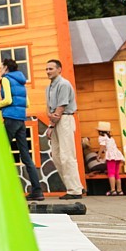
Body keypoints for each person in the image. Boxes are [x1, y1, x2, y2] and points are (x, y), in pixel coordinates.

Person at [0, 58, 44, 201]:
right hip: (21, 120)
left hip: (10, 118)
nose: (0, 69)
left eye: (1, 67)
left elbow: (8, 100)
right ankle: (37, 191)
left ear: (6, 68)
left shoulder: (5, 79)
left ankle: (3, 190)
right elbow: (27, 103)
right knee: (26, 157)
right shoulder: (21, 81)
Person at [45, 59, 83, 199]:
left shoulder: (64, 84)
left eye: (51, 69)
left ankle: (75, 190)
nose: (48, 71)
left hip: (65, 119)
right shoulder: (49, 88)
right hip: (55, 121)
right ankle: (74, 186)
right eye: (47, 69)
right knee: (56, 156)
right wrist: (50, 125)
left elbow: (61, 107)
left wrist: (54, 119)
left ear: (59, 69)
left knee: (67, 155)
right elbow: (50, 108)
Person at [96, 121, 125, 196]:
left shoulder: (101, 138)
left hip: (111, 156)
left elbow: (102, 146)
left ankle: (113, 190)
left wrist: (98, 155)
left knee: (111, 173)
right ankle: (119, 190)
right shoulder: (110, 138)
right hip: (117, 155)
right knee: (117, 173)